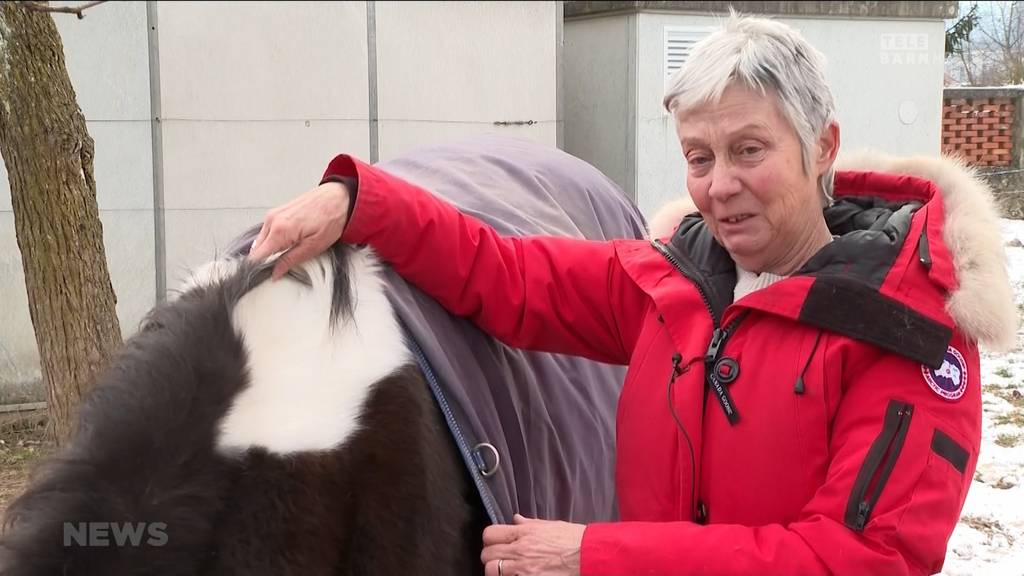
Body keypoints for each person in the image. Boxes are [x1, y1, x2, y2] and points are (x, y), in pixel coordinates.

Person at [248, 13, 1015, 576]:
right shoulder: (672, 285)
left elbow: (860, 558)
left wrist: (593, 551)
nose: (720, 186)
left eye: (750, 150)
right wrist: (359, 200)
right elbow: (502, 277)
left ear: (823, 146)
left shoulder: (908, 333)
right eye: (698, 156)